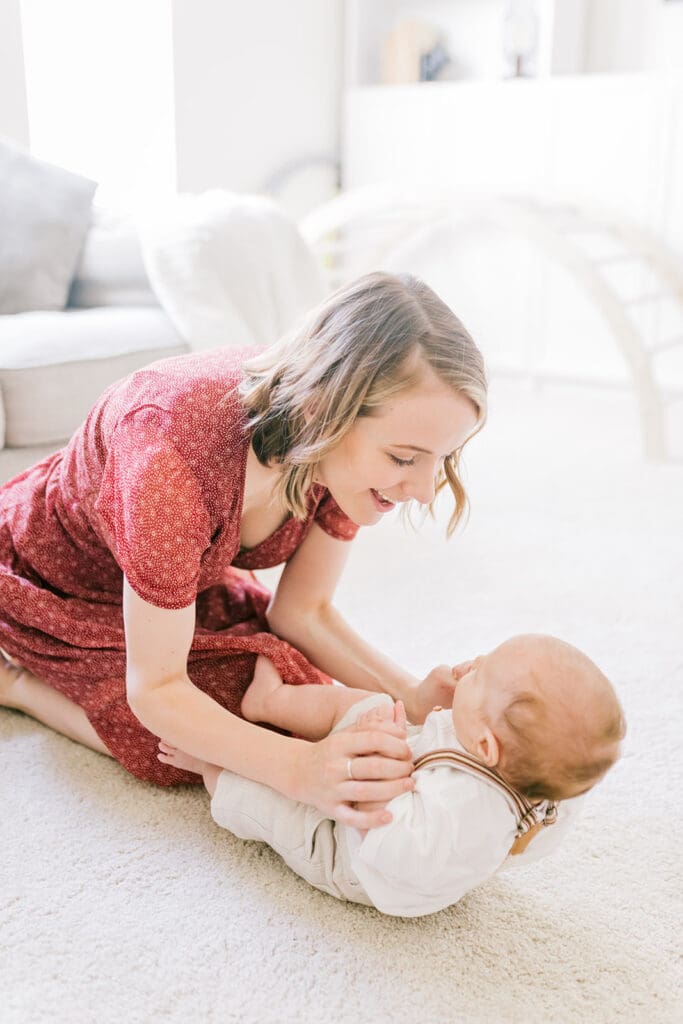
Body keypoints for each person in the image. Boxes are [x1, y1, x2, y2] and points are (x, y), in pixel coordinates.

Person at [0, 272, 486, 829]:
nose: (424, 491)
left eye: (441, 460)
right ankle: (18, 686)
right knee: (182, 738)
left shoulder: (329, 452)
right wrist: (300, 770)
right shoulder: (170, 462)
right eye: (405, 459)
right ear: (322, 408)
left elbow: (303, 611)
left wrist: (412, 698)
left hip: (172, 576)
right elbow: (156, 689)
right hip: (52, 579)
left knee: (289, 690)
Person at [157, 635, 626, 917]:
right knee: (372, 705)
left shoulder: (461, 818)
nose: (474, 665)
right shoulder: (528, 769)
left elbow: (393, 850)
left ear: (485, 747)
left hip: (359, 853)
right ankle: (270, 703)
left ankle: (210, 765)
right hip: (413, 782)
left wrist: (386, 763)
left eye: (481, 677)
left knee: (274, 808)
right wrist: (433, 716)